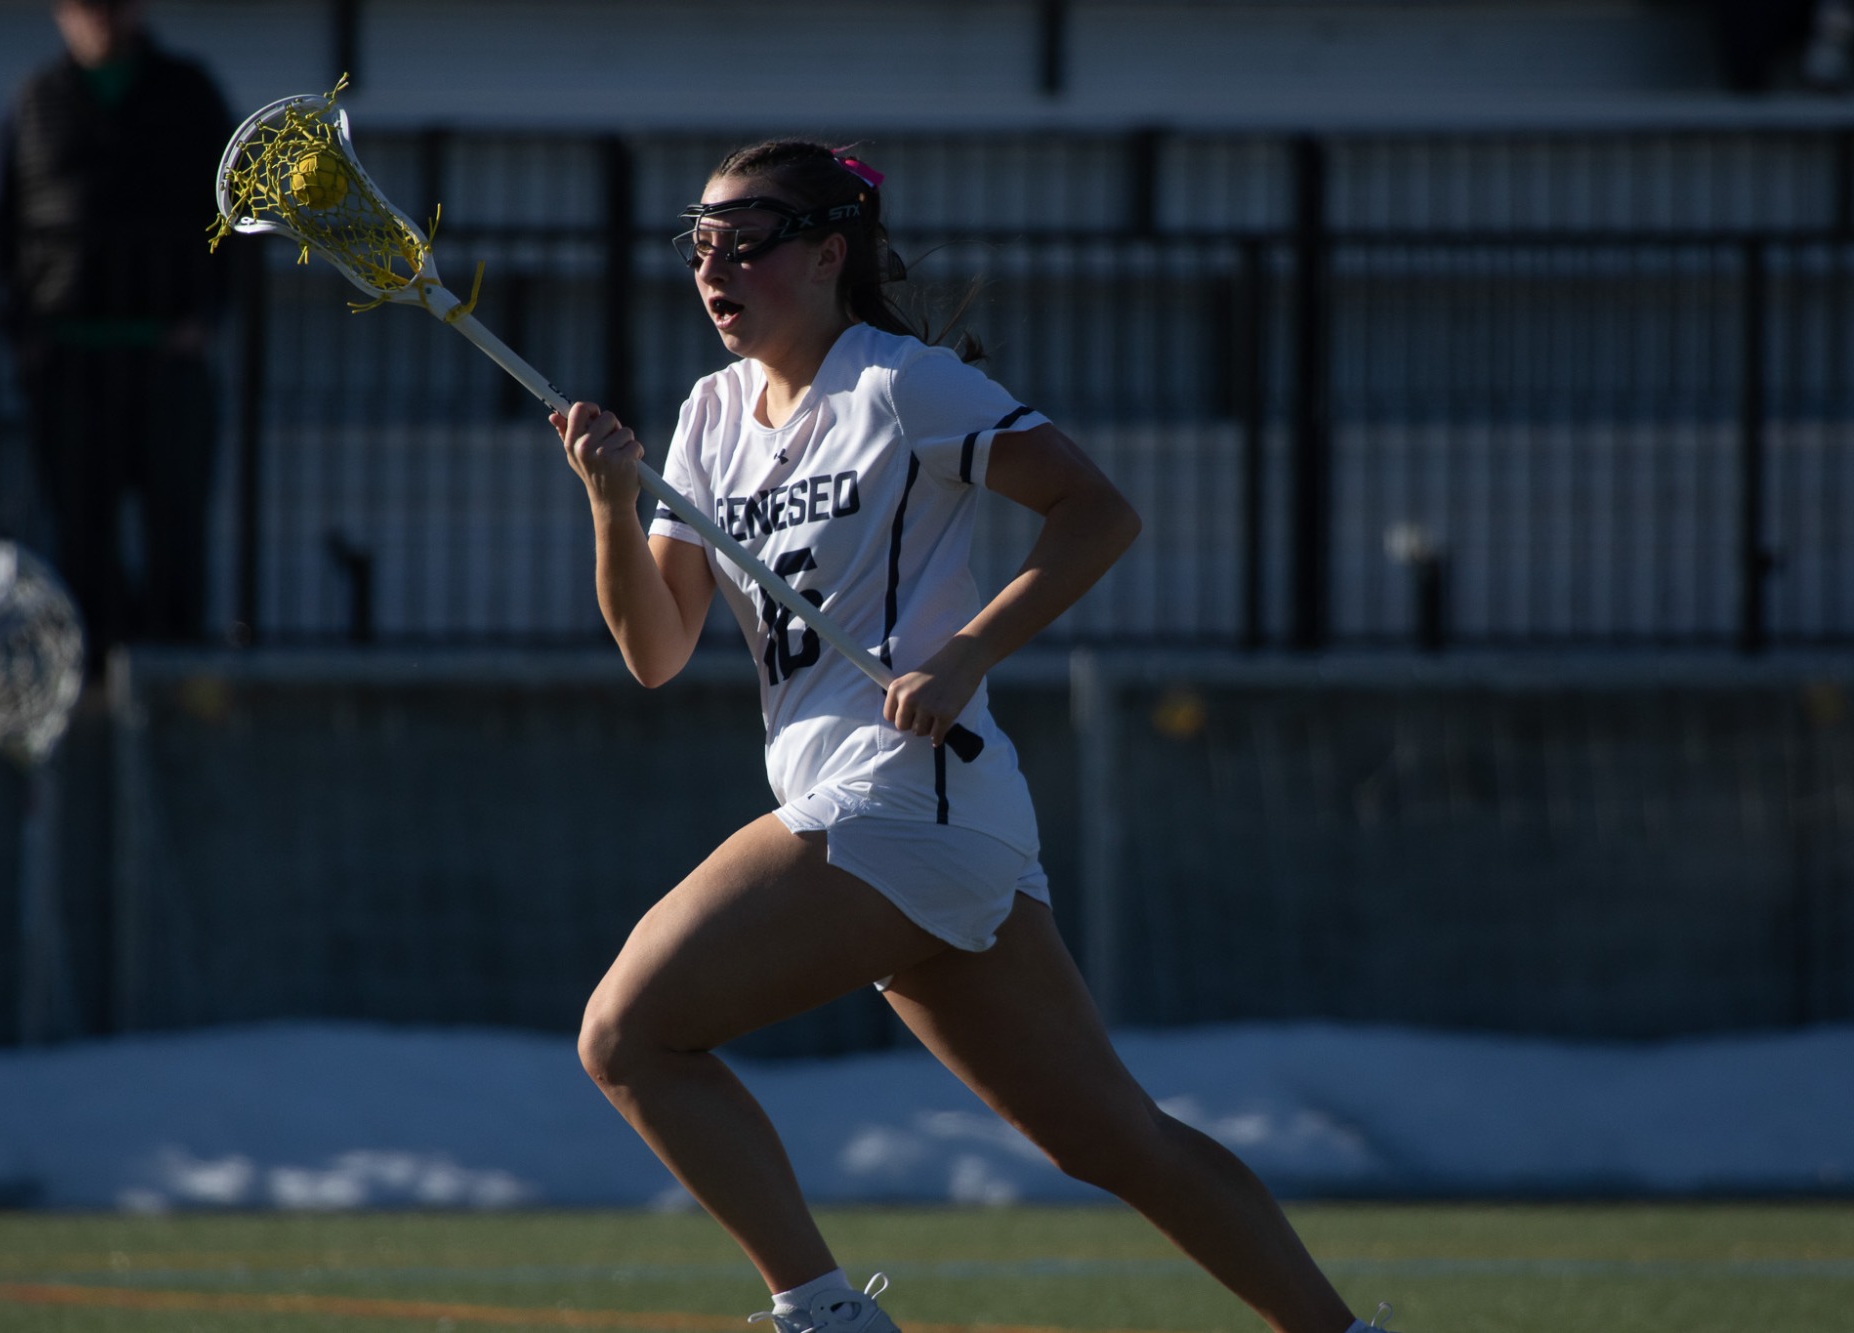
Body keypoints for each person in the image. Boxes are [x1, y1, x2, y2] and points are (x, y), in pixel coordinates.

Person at [553, 140, 1397, 1333]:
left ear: (829, 252)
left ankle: (822, 1313)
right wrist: (610, 501)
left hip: (898, 796)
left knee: (627, 1033)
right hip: (930, 820)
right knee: (1113, 1141)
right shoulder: (705, 417)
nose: (714, 266)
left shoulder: (901, 383)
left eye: (747, 241)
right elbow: (655, 650)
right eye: (699, 242)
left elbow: (1096, 511)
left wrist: (965, 653)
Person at [0, 0, 232, 657]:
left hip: (165, 353)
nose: (101, 19)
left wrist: (204, 315)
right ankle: (92, 672)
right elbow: (3, 226)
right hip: (69, 357)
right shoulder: (38, 99)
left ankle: (172, 672)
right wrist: (26, 331)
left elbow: (235, 208)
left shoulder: (187, 92)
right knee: (80, 529)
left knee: (176, 528)